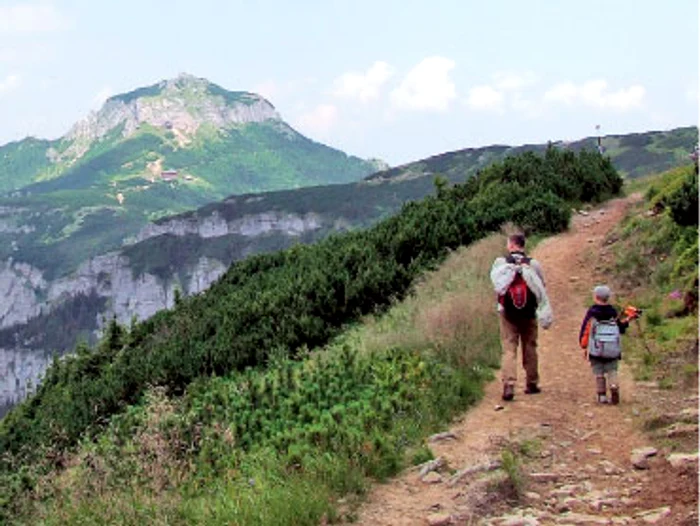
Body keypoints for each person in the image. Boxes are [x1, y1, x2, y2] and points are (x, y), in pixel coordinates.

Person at [493, 233, 547, 401]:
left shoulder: (501, 263)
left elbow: (498, 286)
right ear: (523, 246)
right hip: (529, 312)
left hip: (507, 312)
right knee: (530, 345)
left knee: (509, 347)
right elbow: (541, 286)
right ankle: (531, 382)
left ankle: (509, 384)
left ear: (511, 245)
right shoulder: (533, 264)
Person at [579, 285, 637, 404]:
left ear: (596, 297)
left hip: (596, 349)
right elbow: (620, 327)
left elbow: (586, 329)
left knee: (599, 372)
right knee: (612, 370)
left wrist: (584, 345)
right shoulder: (613, 312)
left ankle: (602, 396)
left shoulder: (592, 312)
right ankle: (614, 387)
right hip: (612, 349)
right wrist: (628, 320)